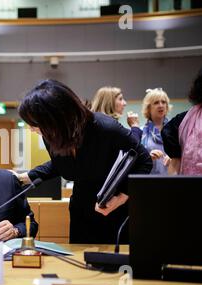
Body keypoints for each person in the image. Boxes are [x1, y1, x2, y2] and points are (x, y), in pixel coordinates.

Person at [16, 79, 152, 244]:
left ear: (57, 118)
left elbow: (144, 160)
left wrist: (121, 198)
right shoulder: (51, 136)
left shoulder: (104, 128)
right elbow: (61, 164)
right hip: (81, 212)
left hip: (115, 208)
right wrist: (24, 177)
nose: (31, 129)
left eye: (35, 124)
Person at [162, 68, 202, 175]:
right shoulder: (180, 122)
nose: (161, 106)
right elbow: (175, 163)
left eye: (163, 102)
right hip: (190, 187)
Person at [140, 88, 172, 174]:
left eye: (163, 102)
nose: (161, 105)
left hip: (172, 180)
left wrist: (174, 157)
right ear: (148, 108)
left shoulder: (175, 130)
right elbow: (136, 161)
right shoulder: (141, 132)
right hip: (149, 181)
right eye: (156, 102)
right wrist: (148, 157)